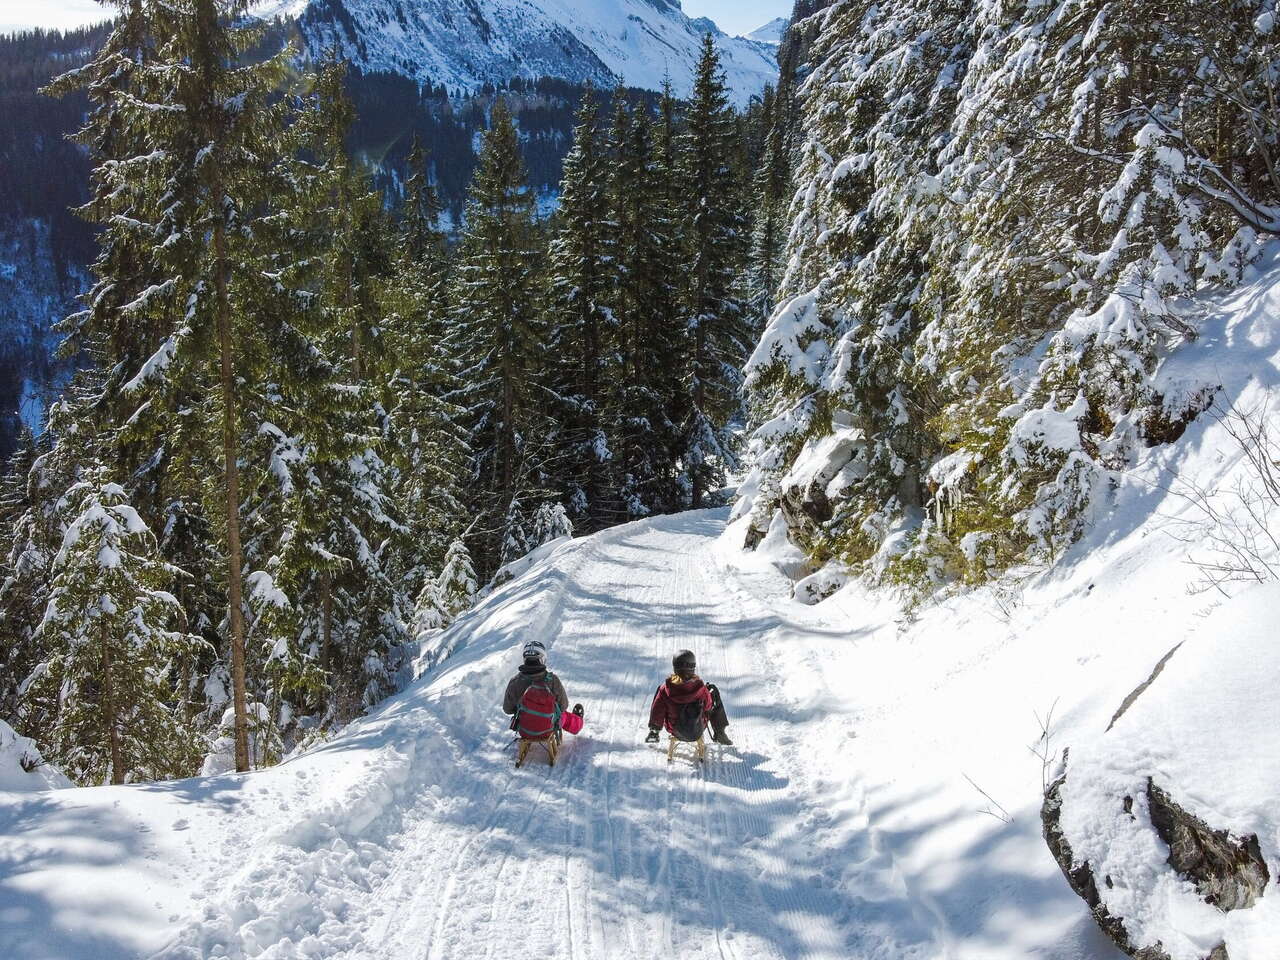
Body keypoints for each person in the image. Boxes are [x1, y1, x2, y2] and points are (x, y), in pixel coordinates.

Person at [646, 649, 733, 746]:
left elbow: (658, 711)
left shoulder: (665, 688)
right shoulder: (701, 688)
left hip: (675, 729)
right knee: (713, 691)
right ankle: (720, 732)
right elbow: (708, 707)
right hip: (697, 728)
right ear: (693, 666)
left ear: (675, 666)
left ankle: (654, 731)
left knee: (660, 694)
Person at [503, 640, 570, 735]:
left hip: (524, 729)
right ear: (543, 659)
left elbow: (507, 709)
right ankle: (578, 722)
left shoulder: (514, 682)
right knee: (566, 716)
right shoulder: (552, 680)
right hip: (549, 728)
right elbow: (564, 705)